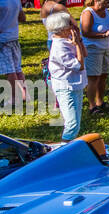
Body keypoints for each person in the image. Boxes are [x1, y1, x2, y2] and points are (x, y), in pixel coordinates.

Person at [46, 11, 86, 141]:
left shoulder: (67, 40)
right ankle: (63, 148)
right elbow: (79, 65)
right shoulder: (59, 48)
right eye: (69, 24)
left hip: (75, 84)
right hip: (66, 88)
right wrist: (76, 45)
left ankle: (68, 147)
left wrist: (78, 40)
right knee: (72, 124)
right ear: (61, 29)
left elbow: (84, 54)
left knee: (76, 123)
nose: (73, 26)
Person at [0, 0, 25, 108]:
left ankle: (14, 98)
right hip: (14, 36)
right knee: (17, 68)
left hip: (1, 39)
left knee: (9, 71)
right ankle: (23, 94)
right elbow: (22, 18)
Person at [81, 0, 109, 114]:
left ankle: (100, 102)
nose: (107, 3)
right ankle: (92, 106)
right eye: (105, 1)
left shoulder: (107, 12)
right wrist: (104, 34)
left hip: (105, 48)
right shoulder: (88, 13)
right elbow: (85, 32)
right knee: (93, 78)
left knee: (103, 75)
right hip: (92, 49)